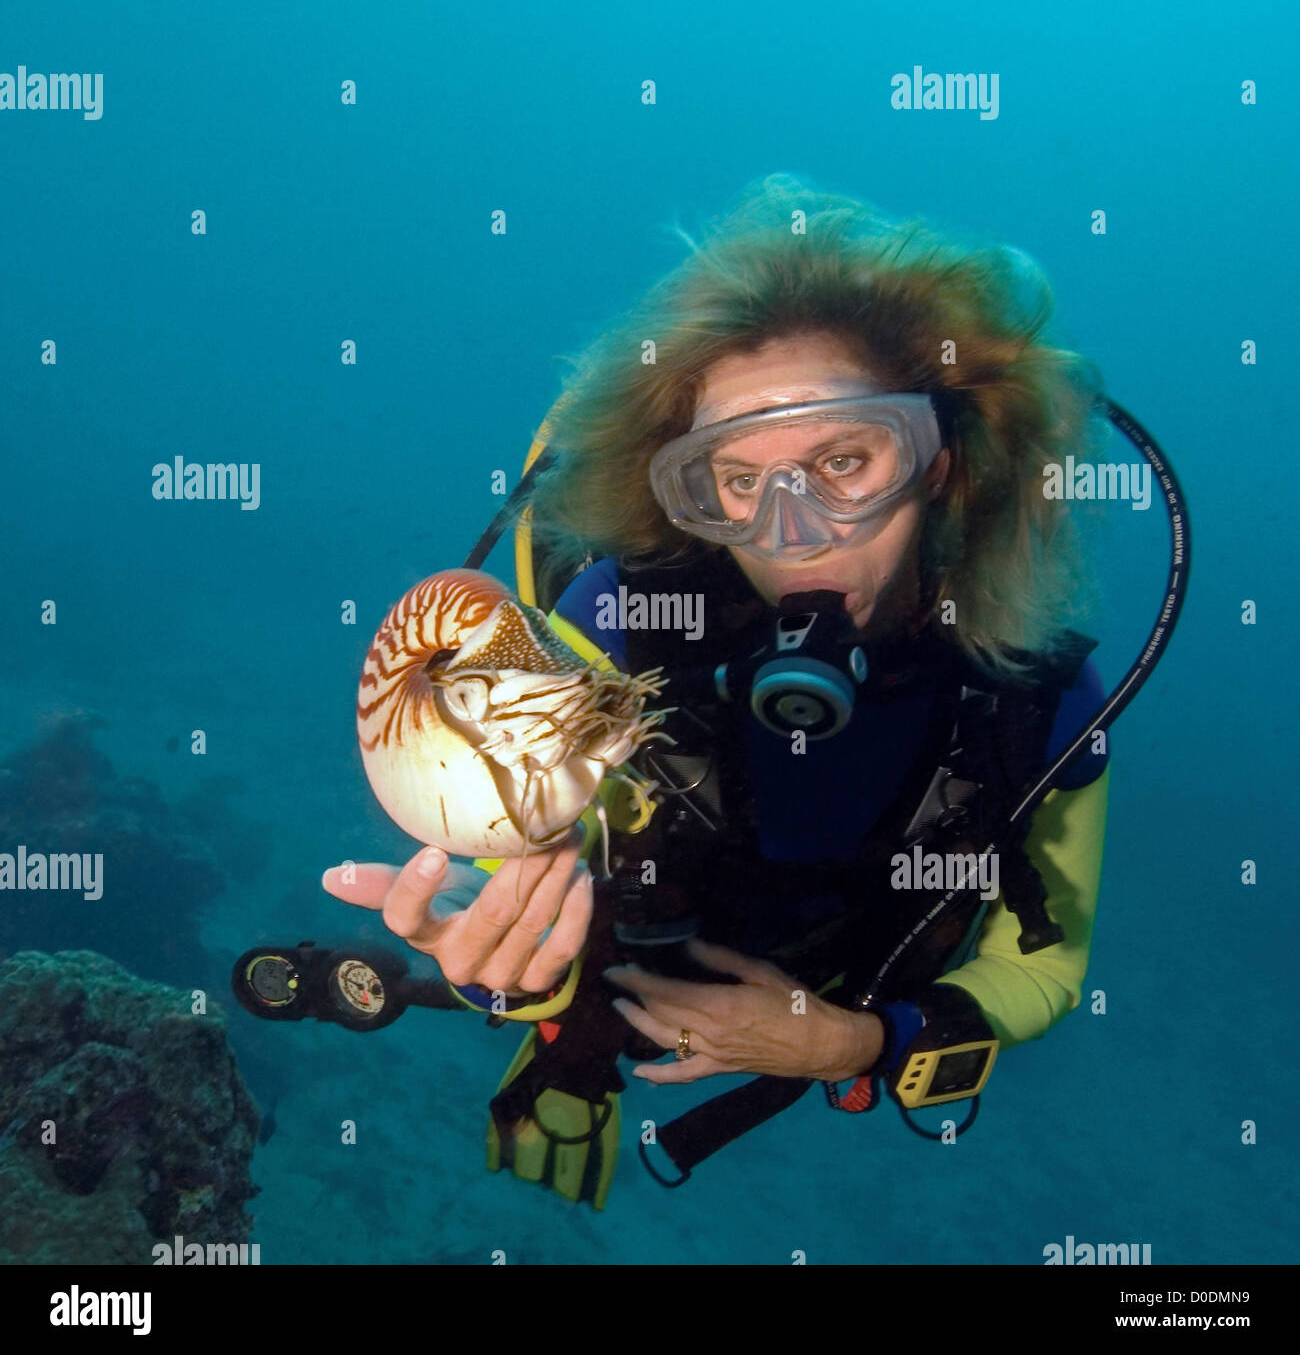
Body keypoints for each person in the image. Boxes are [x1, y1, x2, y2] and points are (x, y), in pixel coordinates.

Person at [323, 173, 1112, 1204]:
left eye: (844, 459)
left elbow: (1045, 964)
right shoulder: (617, 623)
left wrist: (851, 1045)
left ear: (938, 462)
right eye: (738, 480)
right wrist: (506, 971)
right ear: (687, 493)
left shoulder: (1037, 697)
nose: (794, 532)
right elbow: (511, 883)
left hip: (850, 980)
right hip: (637, 953)